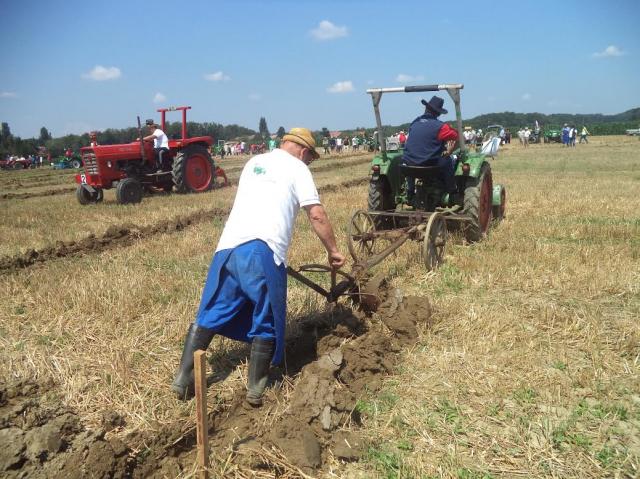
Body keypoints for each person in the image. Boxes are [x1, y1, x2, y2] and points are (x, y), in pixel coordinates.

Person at [171, 127, 346, 406]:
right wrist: (334, 251)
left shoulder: (254, 163)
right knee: (266, 315)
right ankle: (256, 390)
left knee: (213, 311)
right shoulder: (298, 169)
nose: (308, 163)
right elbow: (316, 213)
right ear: (303, 151)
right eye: (310, 158)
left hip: (228, 248)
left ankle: (182, 379)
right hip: (262, 249)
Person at [402, 96, 459, 203]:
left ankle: (410, 192)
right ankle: (452, 192)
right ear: (438, 113)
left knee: (410, 164)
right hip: (430, 166)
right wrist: (448, 151)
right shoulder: (441, 127)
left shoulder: (414, 122)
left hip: (409, 165)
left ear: (426, 108)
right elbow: (456, 136)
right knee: (448, 160)